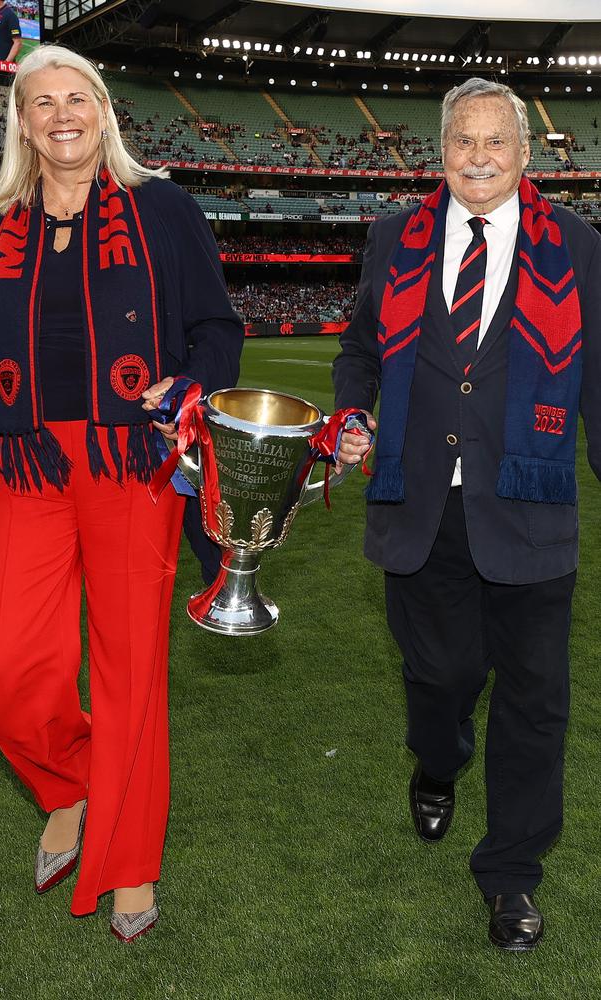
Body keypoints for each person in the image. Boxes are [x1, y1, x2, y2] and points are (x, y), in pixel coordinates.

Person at [0, 43, 243, 942]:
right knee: (7, 665)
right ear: (23, 122)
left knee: (129, 677)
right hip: (26, 466)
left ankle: (129, 865)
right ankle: (68, 785)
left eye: (79, 98)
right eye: (44, 103)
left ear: (106, 112)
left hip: (133, 466)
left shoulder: (163, 208)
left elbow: (216, 330)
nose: (63, 114)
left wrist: (187, 390)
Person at [333, 77, 601, 952]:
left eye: (496, 142)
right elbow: (362, 350)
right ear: (440, 152)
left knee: (535, 703)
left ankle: (513, 877)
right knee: (440, 677)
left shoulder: (577, 246)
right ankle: (439, 758)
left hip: (529, 507)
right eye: (462, 142)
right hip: (420, 507)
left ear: (527, 154)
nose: (479, 158)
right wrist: (354, 414)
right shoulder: (391, 237)